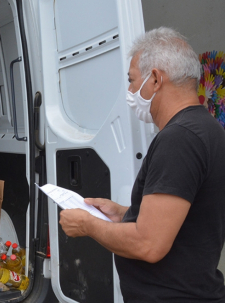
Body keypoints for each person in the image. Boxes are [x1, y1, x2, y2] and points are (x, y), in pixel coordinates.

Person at [59, 27, 225, 301]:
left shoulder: (179, 139)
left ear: (156, 79)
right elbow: (186, 219)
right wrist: (124, 214)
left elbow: (149, 244)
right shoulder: (207, 129)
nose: (130, 91)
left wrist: (88, 225)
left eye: (133, 81)